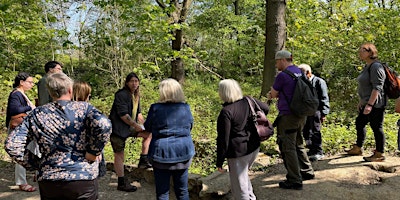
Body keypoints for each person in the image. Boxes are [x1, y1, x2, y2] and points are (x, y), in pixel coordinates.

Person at [5, 73, 111, 199]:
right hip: (82, 177)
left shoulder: (37, 114)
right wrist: (93, 151)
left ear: (50, 93)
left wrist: (37, 163)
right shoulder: (85, 109)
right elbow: (104, 124)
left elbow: (12, 145)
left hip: (49, 179)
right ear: (70, 90)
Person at [267, 50, 315, 190]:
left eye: (277, 62)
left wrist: (271, 93)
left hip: (288, 116)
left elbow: (274, 94)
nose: (276, 64)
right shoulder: (299, 71)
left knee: (288, 147)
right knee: (298, 143)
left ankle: (294, 179)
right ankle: (307, 171)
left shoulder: (282, 76)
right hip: (301, 114)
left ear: (282, 60)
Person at [216, 79, 269, 199]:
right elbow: (265, 108)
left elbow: (223, 139)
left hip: (238, 153)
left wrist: (219, 161)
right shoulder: (249, 100)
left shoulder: (226, 112)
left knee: (239, 187)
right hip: (253, 147)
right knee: (243, 177)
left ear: (224, 93)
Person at [144, 78, 195, 200]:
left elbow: (148, 127)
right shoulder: (185, 107)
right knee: (182, 191)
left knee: (163, 193)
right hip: (183, 151)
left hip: (161, 153)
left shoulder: (155, 108)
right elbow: (190, 126)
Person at [109, 72, 152, 192]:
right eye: (132, 81)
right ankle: (121, 182)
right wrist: (136, 125)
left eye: (136, 81)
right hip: (118, 129)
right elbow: (123, 115)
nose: (134, 83)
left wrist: (144, 125)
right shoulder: (121, 95)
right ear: (127, 83)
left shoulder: (135, 96)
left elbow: (138, 113)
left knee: (148, 134)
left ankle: (143, 159)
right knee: (119, 154)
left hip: (129, 127)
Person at [346, 43, 386, 162]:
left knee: (376, 127)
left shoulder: (376, 67)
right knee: (360, 123)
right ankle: (358, 148)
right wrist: (362, 101)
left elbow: (377, 87)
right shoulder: (368, 66)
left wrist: (369, 104)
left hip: (376, 104)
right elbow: (365, 87)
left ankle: (379, 153)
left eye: (362, 51)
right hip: (366, 102)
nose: (360, 53)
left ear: (370, 52)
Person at [5, 72, 39, 192]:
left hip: (24, 129)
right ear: (21, 82)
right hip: (18, 129)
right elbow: (14, 110)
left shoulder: (21, 94)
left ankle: (36, 173)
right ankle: (22, 182)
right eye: (30, 82)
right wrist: (30, 107)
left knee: (34, 149)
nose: (32, 84)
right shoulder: (16, 94)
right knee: (21, 154)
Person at [73, 81, 106, 178]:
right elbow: (102, 128)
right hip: (89, 150)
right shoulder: (90, 110)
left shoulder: (66, 109)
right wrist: (96, 151)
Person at [298, 64, 330, 161]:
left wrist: (324, 113)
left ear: (308, 73)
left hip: (317, 111)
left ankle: (318, 151)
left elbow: (324, 97)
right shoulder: (301, 82)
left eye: (301, 73)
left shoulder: (319, 82)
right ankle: (311, 149)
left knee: (316, 131)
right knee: (306, 131)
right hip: (305, 111)